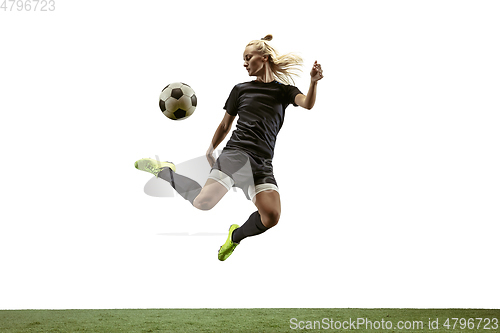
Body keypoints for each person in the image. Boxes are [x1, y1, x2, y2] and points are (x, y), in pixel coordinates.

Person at [135, 34, 324, 261]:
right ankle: (165, 171)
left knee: (271, 216)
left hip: (262, 162)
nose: (244, 63)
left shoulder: (284, 91)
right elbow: (226, 124)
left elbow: (308, 104)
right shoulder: (240, 89)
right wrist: (210, 149)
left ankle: (234, 236)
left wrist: (313, 82)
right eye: (243, 59)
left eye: (248, 57)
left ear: (263, 58)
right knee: (203, 203)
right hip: (237, 153)